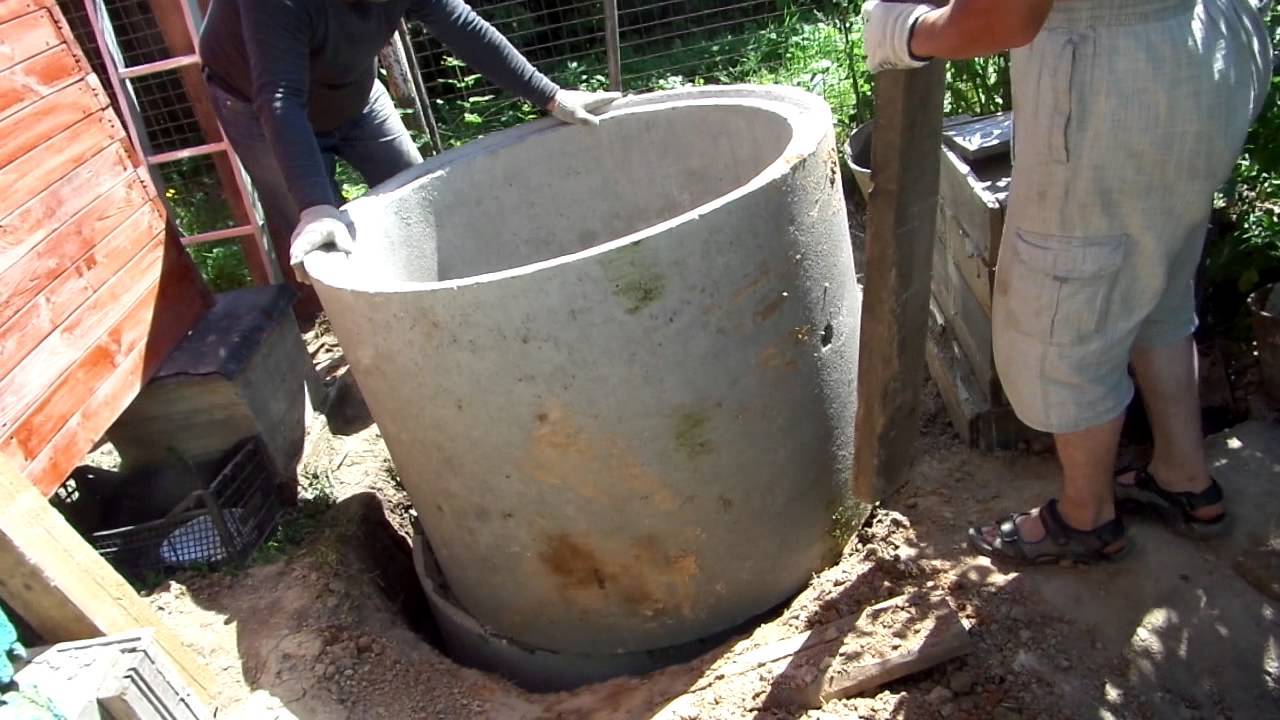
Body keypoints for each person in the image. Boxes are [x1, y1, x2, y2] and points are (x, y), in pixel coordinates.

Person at [861, 0, 1272, 563]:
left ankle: (1087, 517)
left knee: (1065, 306)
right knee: (1158, 277)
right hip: (1204, 50)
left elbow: (1007, 18)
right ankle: (1185, 477)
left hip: (1115, 80)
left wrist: (905, 31)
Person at [199, 0, 617, 313]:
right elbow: (280, 97)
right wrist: (316, 207)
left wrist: (551, 96)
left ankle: (457, 310)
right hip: (257, 108)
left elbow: (459, 22)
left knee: (422, 197)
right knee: (320, 242)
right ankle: (353, 341)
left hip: (354, 93)